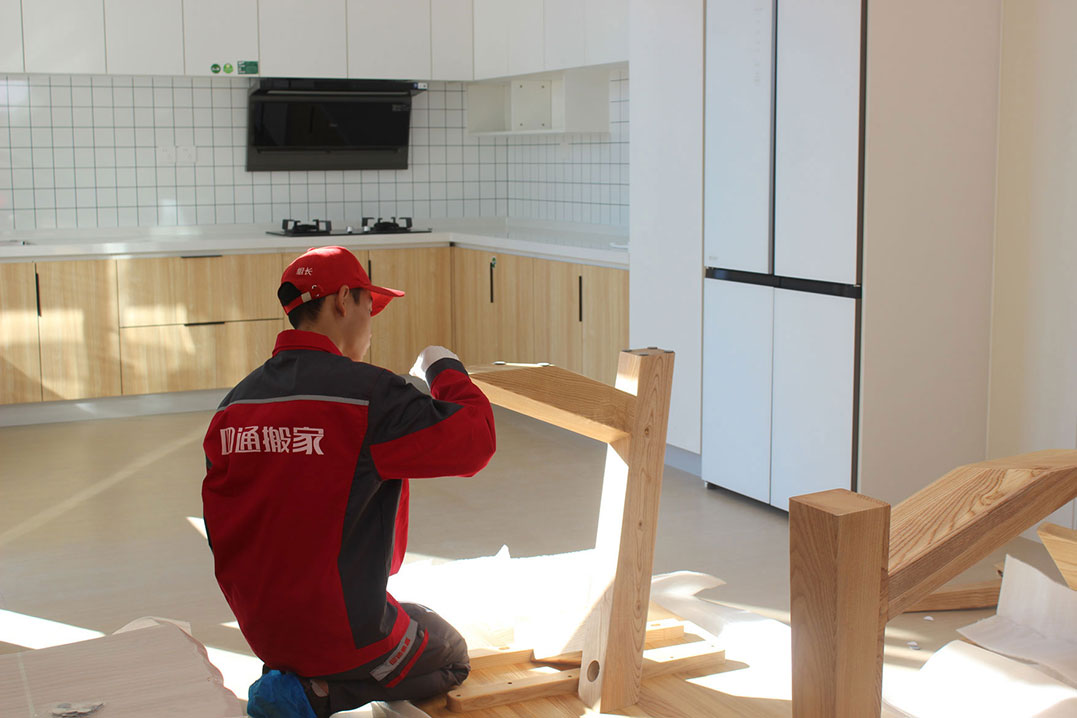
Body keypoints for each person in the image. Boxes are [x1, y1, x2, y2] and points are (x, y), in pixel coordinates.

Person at [201, 245, 496, 717]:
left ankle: (295, 673)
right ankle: (316, 693)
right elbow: (475, 440)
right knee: (451, 652)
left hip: (264, 632)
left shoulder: (234, 406)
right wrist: (441, 366)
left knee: (403, 610)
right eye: (369, 307)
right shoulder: (369, 396)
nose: (372, 326)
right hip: (345, 637)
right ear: (343, 300)